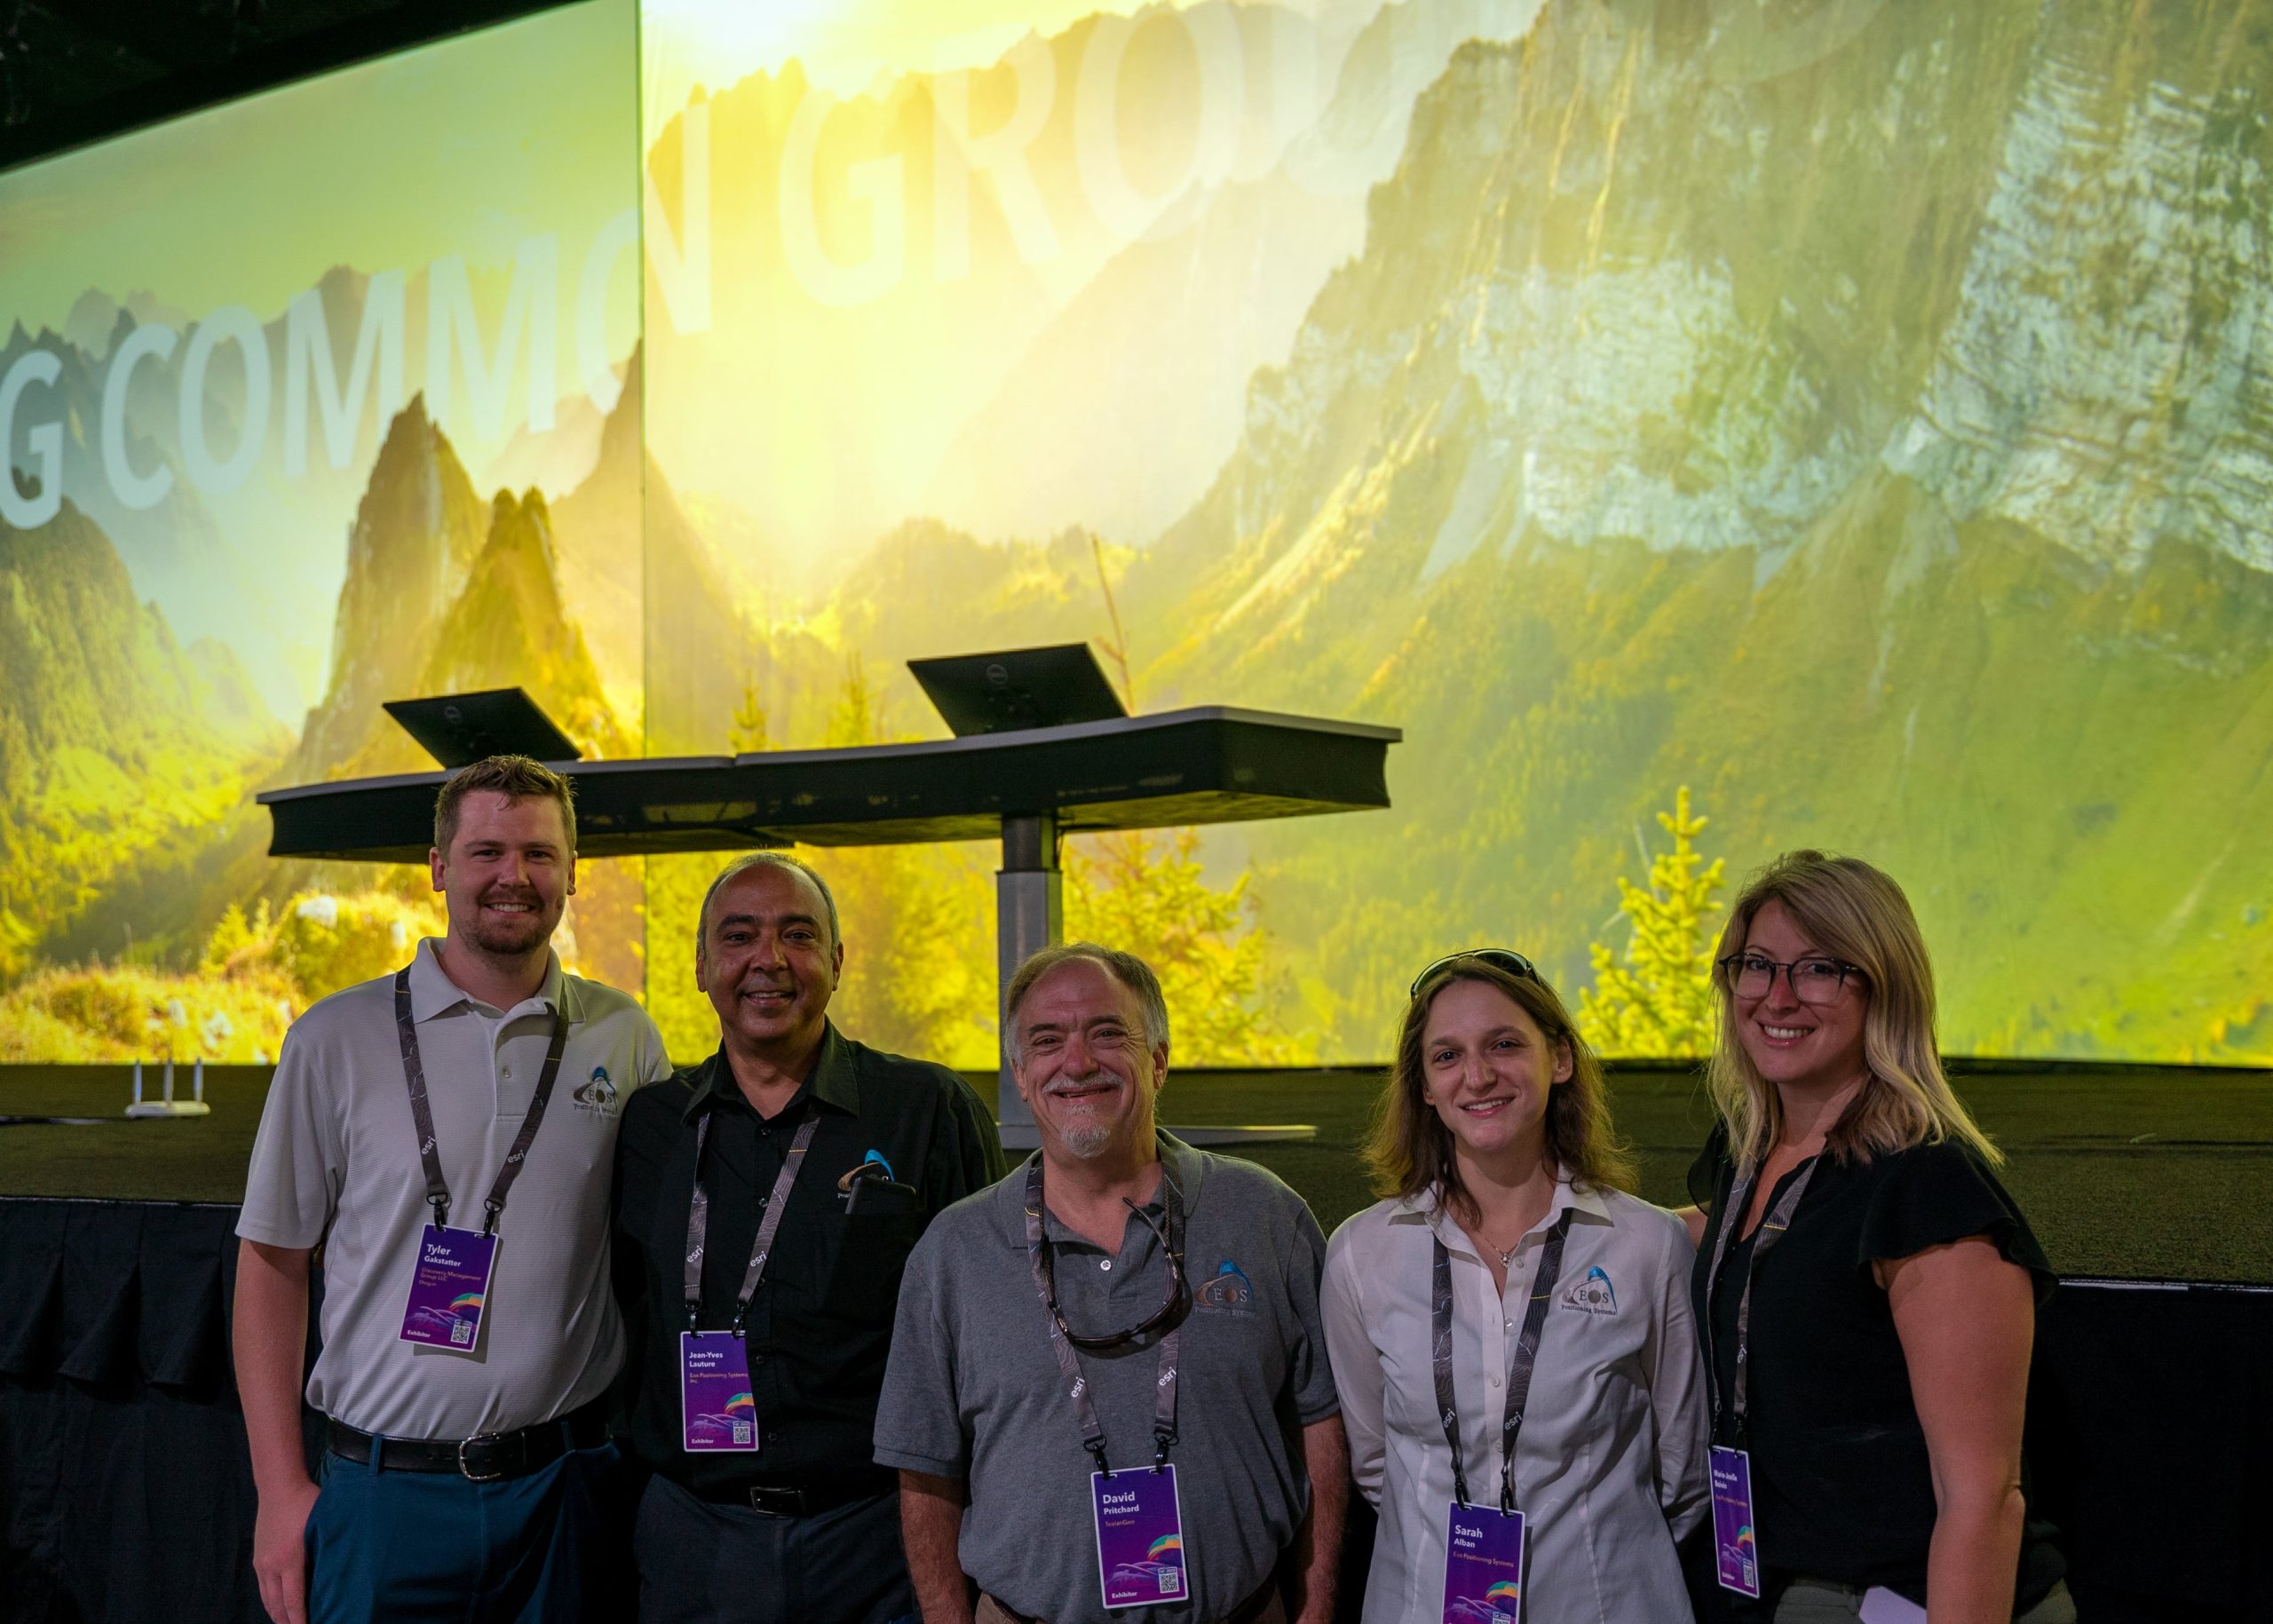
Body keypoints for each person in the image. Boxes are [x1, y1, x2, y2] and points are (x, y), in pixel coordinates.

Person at [234, 755, 672, 1624]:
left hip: (563, 1493)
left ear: (572, 871)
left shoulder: (623, 1036)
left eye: (540, 854)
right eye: (486, 851)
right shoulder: (334, 1038)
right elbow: (271, 1263)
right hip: (384, 1497)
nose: (514, 876)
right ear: (438, 868)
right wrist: (280, 1489)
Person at [875, 943, 1347, 1624]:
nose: (1078, 1062)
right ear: (1019, 1071)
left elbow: (1322, 1424)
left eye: (1106, 1032)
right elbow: (924, 1471)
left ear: (1158, 1058)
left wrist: (1317, 1608)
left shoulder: (1266, 1216)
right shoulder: (953, 1253)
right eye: (1047, 1040)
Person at [612, 852, 1004, 1623]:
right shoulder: (650, 1126)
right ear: (699, 965)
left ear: (837, 961)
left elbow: (994, 1331)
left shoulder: (925, 1110)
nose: (769, 959)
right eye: (739, 936)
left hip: (877, 1540)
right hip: (694, 1538)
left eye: (798, 934)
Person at [1684, 852, 2071, 1623]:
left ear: (1882, 984)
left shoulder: (1926, 1189)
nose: (1777, 996)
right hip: (1778, 1584)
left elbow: (1982, 1500)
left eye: (1819, 969)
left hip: (1906, 1601)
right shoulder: (1752, 1154)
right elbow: (1719, 1247)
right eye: (1756, 965)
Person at [1321, 949, 1708, 1622]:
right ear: (1424, 1088)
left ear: (1559, 1059)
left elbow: (1682, 1471)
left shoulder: (1646, 1244)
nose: (1477, 1075)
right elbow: (1378, 1467)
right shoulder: (1362, 1251)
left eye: (1504, 1044)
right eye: (1447, 1056)